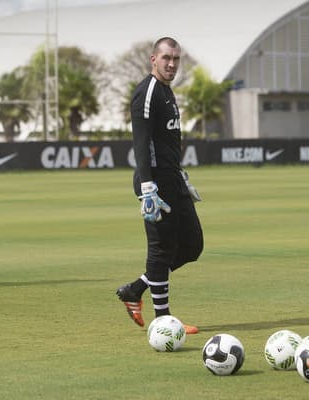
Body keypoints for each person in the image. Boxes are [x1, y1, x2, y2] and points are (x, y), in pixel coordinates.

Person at [116, 37, 203, 334]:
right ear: (153, 59)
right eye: (166, 58)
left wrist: (182, 176)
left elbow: (166, 141)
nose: (172, 64)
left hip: (173, 178)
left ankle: (135, 289)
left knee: (192, 245)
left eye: (176, 59)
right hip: (153, 181)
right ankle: (163, 322)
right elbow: (141, 142)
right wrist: (149, 186)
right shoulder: (148, 91)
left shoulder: (167, 91)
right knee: (161, 249)